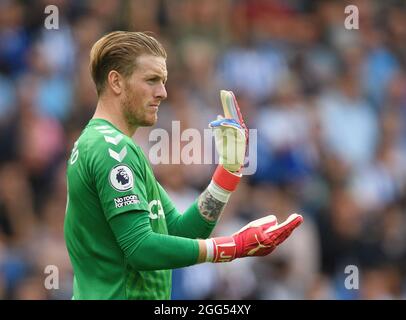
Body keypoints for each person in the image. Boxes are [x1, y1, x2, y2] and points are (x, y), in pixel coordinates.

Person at [64, 31, 303, 300]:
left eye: (163, 82)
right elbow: (140, 247)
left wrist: (227, 172)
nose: (163, 92)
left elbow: (179, 232)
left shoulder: (118, 147)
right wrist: (231, 247)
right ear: (116, 82)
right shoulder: (110, 149)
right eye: (152, 80)